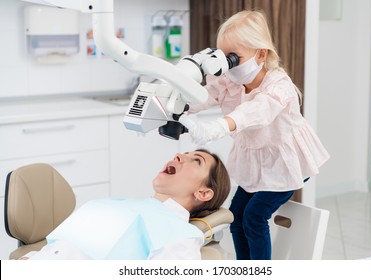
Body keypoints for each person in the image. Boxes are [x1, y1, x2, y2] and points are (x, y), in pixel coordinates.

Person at [187, 10, 330, 260]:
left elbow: (256, 111)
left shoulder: (278, 87)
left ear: (260, 53)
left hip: (287, 162)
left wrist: (219, 126)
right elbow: (204, 97)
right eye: (225, 58)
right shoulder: (230, 80)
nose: (228, 66)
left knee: (254, 217)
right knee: (236, 218)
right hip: (256, 162)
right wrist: (177, 107)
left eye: (235, 58)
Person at [19, 149, 231, 260]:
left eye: (196, 160)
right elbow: (62, 248)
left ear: (203, 193)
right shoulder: (124, 206)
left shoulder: (180, 236)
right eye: (184, 152)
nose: (178, 155)